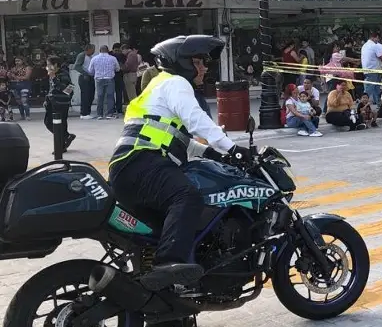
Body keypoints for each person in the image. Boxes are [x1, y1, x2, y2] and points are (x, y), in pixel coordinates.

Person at [107, 35, 250, 295]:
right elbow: (197, 121)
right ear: (182, 62)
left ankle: (163, 311)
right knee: (187, 197)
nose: (205, 68)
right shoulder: (175, 83)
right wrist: (233, 149)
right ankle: (168, 264)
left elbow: (182, 139)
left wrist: (215, 155)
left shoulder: (161, 87)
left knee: (167, 230)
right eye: (199, 62)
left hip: (133, 167)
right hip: (142, 163)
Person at [44, 57, 76, 154]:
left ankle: (61, 146)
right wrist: (46, 99)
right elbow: (51, 89)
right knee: (48, 122)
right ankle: (66, 136)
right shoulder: (52, 75)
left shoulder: (63, 74)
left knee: (60, 124)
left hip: (61, 103)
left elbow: (68, 90)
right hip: (52, 102)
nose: (47, 67)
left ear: (55, 65)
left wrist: (54, 78)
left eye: (49, 65)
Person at [87, 45, 120, 120]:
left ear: (100, 50)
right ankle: (109, 114)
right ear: (108, 50)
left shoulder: (94, 59)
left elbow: (90, 70)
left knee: (100, 96)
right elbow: (118, 69)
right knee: (110, 96)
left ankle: (99, 114)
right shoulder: (113, 58)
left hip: (99, 79)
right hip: (110, 79)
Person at [360, 31, 382, 106]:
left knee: (375, 87)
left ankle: (378, 102)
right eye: (378, 39)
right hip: (373, 69)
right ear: (376, 37)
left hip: (368, 69)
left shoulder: (365, 45)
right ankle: (362, 104)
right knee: (370, 88)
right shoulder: (375, 45)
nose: (378, 41)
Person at [73, 44, 95, 119]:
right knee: (85, 95)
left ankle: (88, 112)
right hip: (84, 77)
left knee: (91, 95)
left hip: (91, 77)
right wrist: (85, 73)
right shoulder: (82, 55)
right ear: (88, 49)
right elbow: (76, 66)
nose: (94, 51)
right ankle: (84, 113)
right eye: (93, 50)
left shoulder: (90, 56)